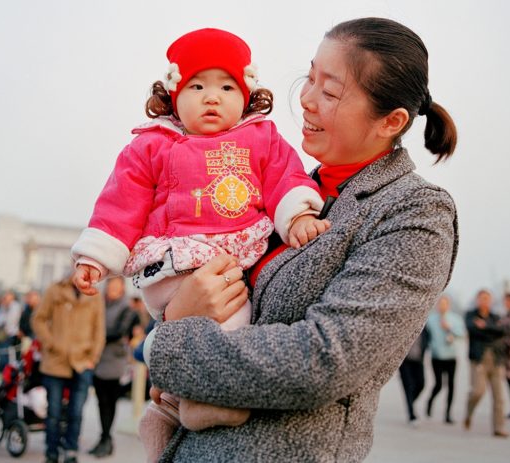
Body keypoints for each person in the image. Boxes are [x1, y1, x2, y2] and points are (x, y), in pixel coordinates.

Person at [140, 17, 458, 461]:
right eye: (310, 78)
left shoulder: (413, 211)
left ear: (391, 121)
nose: (306, 99)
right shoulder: (287, 195)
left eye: (330, 92)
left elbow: (323, 360)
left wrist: (165, 344)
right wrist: (179, 310)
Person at [70, 27, 331, 462]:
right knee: (234, 321)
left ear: (246, 94)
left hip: (228, 257)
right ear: (173, 94)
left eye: (227, 86)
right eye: (197, 86)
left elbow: (286, 177)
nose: (212, 97)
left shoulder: (261, 138)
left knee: (223, 322)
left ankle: (166, 406)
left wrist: (298, 214)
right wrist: (96, 256)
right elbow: (120, 203)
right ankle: (205, 400)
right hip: (172, 264)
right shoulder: (151, 145)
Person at [31, 276, 105, 463]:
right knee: (54, 411)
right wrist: (50, 343)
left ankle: (71, 451)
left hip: (83, 362)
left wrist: (93, 358)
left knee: (76, 411)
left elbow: (99, 330)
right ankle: (51, 452)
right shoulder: (54, 289)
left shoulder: (95, 294)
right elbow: (38, 319)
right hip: (56, 361)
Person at [88, 277, 138, 458]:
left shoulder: (127, 308)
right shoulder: (99, 304)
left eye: (117, 287)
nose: (112, 289)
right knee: (101, 401)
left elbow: (120, 331)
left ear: (122, 289)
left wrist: (96, 336)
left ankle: (107, 439)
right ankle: (104, 438)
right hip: (98, 358)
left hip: (115, 360)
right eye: (111, 286)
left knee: (110, 401)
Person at [464, 290, 508, 437]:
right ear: (477, 300)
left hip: (496, 361)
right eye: (482, 298)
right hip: (479, 360)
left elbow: (502, 331)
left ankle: (498, 427)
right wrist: (490, 331)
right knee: (478, 391)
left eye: (487, 298)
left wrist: (485, 327)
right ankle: (469, 413)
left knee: (499, 397)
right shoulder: (470, 315)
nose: (485, 301)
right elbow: (473, 330)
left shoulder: (495, 317)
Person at [425, 295, 465, 424]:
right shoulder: (430, 320)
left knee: (451, 386)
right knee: (438, 384)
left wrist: (450, 328)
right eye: (440, 304)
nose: (442, 306)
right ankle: (430, 401)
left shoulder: (455, 318)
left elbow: (462, 334)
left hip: (451, 357)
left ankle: (448, 414)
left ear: (448, 305)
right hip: (437, 357)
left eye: (445, 304)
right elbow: (426, 338)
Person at [398, 327, 429, 425]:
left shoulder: (423, 326)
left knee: (421, 384)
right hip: (405, 362)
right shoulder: (404, 326)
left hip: (418, 360)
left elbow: (427, 338)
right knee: (408, 387)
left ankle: (410, 402)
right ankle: (412, 415)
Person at [0, 290, 22, 371]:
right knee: (0, 352)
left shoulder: (15, 306)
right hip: (1, 333)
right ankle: (1, 369)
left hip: (10, 333)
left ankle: (5, 371)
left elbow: (11, 321)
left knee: (5, 352)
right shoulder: (3, 306)